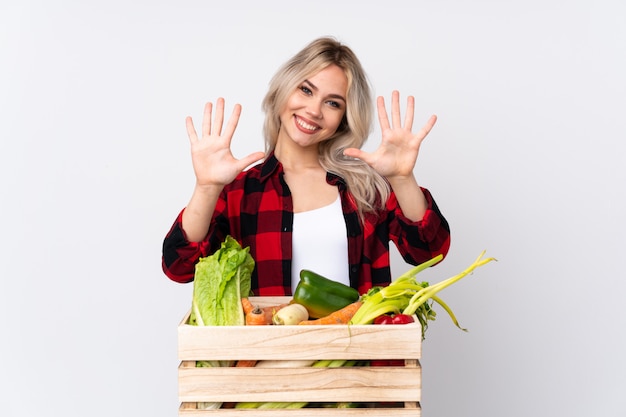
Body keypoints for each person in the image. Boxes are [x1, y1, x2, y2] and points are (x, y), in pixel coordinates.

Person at [162, 37, 450, 296]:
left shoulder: (366, 189)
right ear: (284, 90)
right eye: (306, 90)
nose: (314, 111)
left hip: (361, 354)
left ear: (344, 120)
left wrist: (402, 178)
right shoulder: (239, 191)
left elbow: (428, 251)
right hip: (271, 355)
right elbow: (179, 267)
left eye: (333, 103)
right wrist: (207, 187)